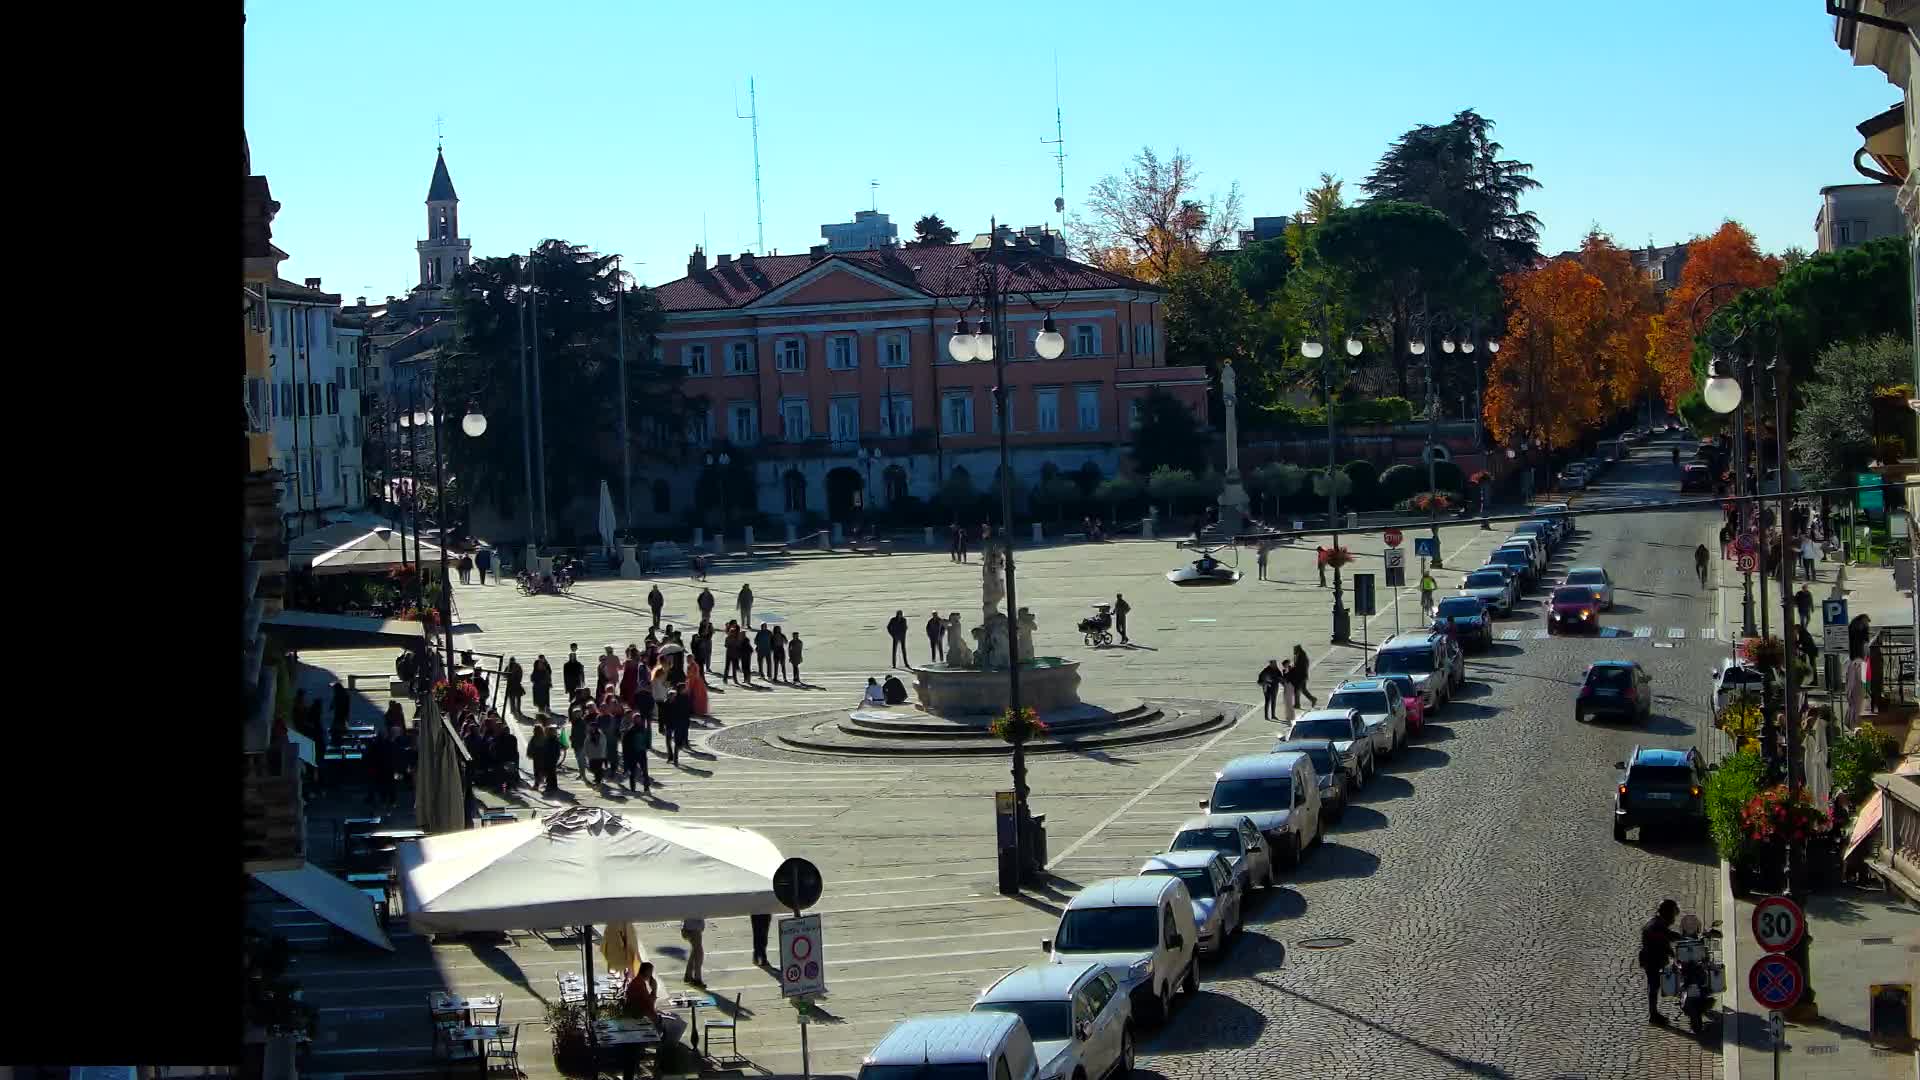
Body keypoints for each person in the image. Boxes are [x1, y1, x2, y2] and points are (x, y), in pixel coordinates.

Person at [1638, 899, 1679, 1025]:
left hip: (1652, 958)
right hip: (1652, 960)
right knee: (1654, 986)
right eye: (1672, 913)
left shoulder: (1658, 922)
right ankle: (1653, 1015)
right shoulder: (1657, 926)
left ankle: (1654, 1014)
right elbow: (1667, 937)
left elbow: (1667, 937)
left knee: (1654, 986)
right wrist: (1683, 938)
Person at [622, 707, 651, 795]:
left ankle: (646, 788)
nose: (638, 721)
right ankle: (633, 788)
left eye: (639, 719)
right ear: (634, 720)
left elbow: (647, 738)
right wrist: (626, 755)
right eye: (636, 719)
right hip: (633, 753)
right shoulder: (630, 730)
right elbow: (625, 743)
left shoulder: (643, 729)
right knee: (633, 772)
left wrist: (647, 746)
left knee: (645, 772)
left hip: (642, 753)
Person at [681, 917, 706, 985]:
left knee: (695, 950)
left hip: (691, 927)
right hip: (694, 927)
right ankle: (697, 977)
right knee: (698, 951)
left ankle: (688, 975)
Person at [584, 720, 608, 786]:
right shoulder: (589, 735)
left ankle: (598, 780)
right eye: (591, 727)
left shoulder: (601, 735)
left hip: (599, 755)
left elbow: (604, 744)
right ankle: (599, 776)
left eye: (593, 727)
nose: (592, 728)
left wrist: (603, 753)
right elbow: (586, 744)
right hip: (591, 755)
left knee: (598, 767)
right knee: (592, 768)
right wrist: (586, 752)